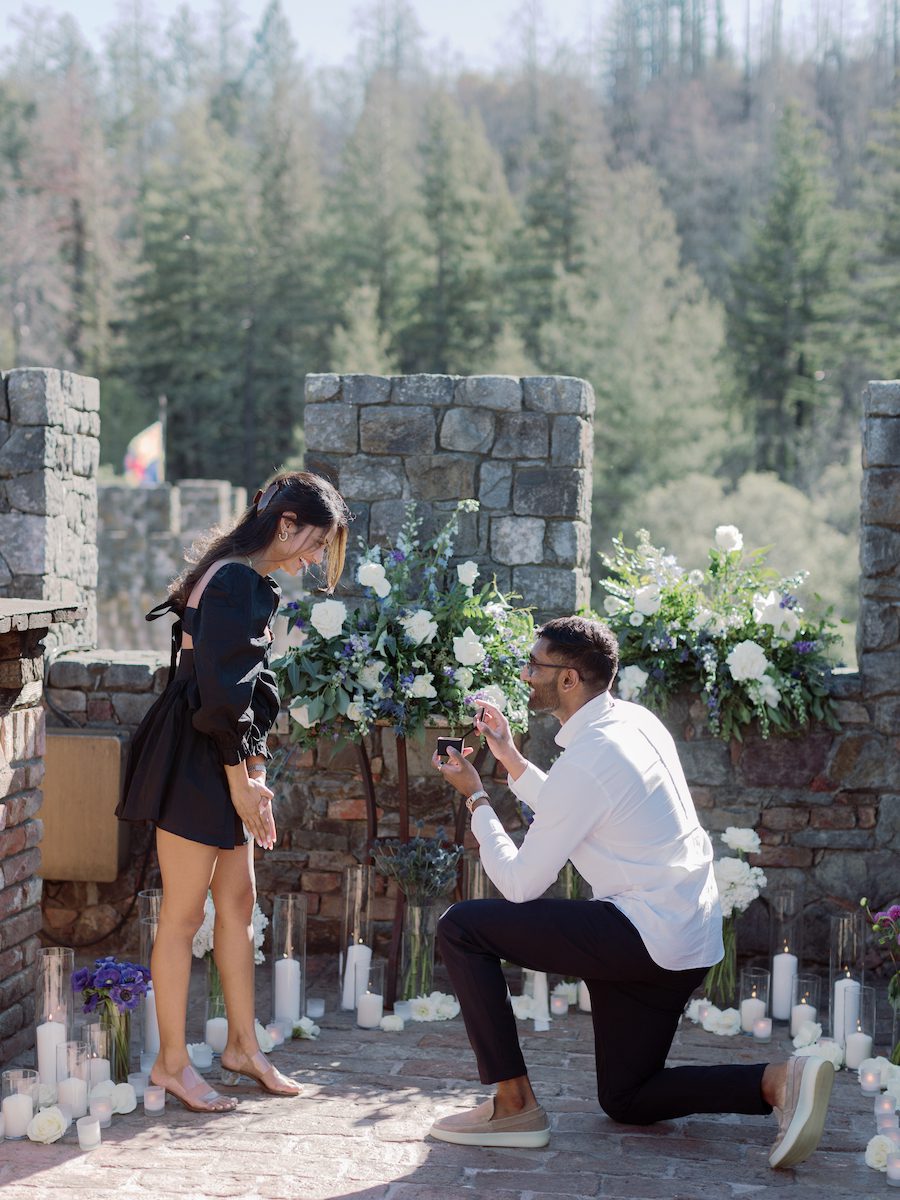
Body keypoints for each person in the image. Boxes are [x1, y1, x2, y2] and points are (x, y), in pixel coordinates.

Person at [428, 615, 833, 1168]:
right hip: (684, 940)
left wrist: (476, 798)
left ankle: (512, 1103)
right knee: (626, 1098)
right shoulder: (633, 722)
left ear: (569, 679)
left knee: (462, 927)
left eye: (534, 665)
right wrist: (510, 758)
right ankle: (778, 1082)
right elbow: (581, 805)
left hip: (644, 932)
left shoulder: (591, 757)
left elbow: (521, 884)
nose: (525, 675)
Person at [117, 470, 349, 1113]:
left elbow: (244, 697)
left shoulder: (243, 576)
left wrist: (257, 777)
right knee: (185, 915)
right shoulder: (235, 581)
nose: (313, 560)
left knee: (238, 904)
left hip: (218, 755)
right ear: (286, 523)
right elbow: (220, 701)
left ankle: (242, 1046)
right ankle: (169, 1062)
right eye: (314, 544)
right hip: (197, 760)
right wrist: (241, 784)